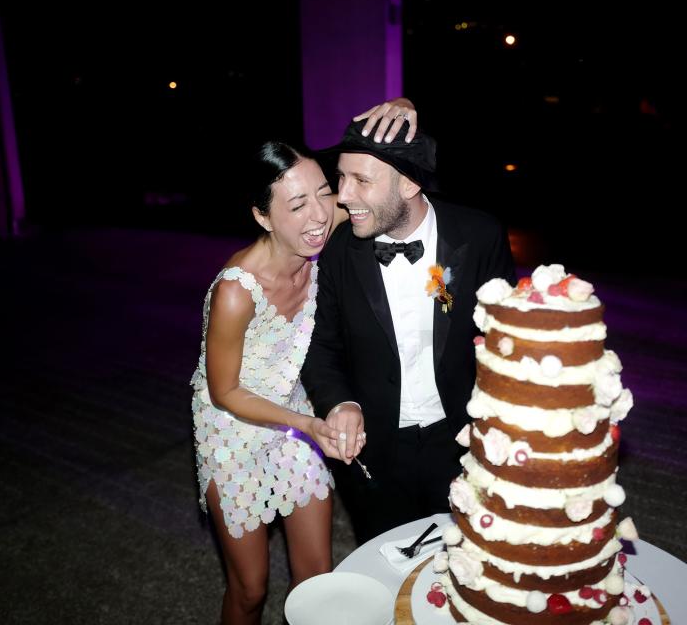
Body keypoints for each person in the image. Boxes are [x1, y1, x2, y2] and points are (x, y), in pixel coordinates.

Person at [189, 99, 417, 625]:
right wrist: (309, 424)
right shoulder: (235, 292)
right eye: (296, 206)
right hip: (232, 432)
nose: (319, 216)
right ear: (261, 215)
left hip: (293, 417)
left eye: (323, 193)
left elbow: (383, 186)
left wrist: (402, 109)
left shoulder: (328, 219)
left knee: (317, 582)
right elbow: (224, 391)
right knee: (250, 591)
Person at [300, 117, 516, 544]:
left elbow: (505, 338)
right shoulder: (338, 250)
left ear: (410, 184)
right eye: (341, 178)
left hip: (462, 441)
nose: (342, 197)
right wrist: (340, 401)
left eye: (361, 180)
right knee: (386, 566)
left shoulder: (479, 235)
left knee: (469, 564)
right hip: (375, 451)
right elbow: (320, 344)